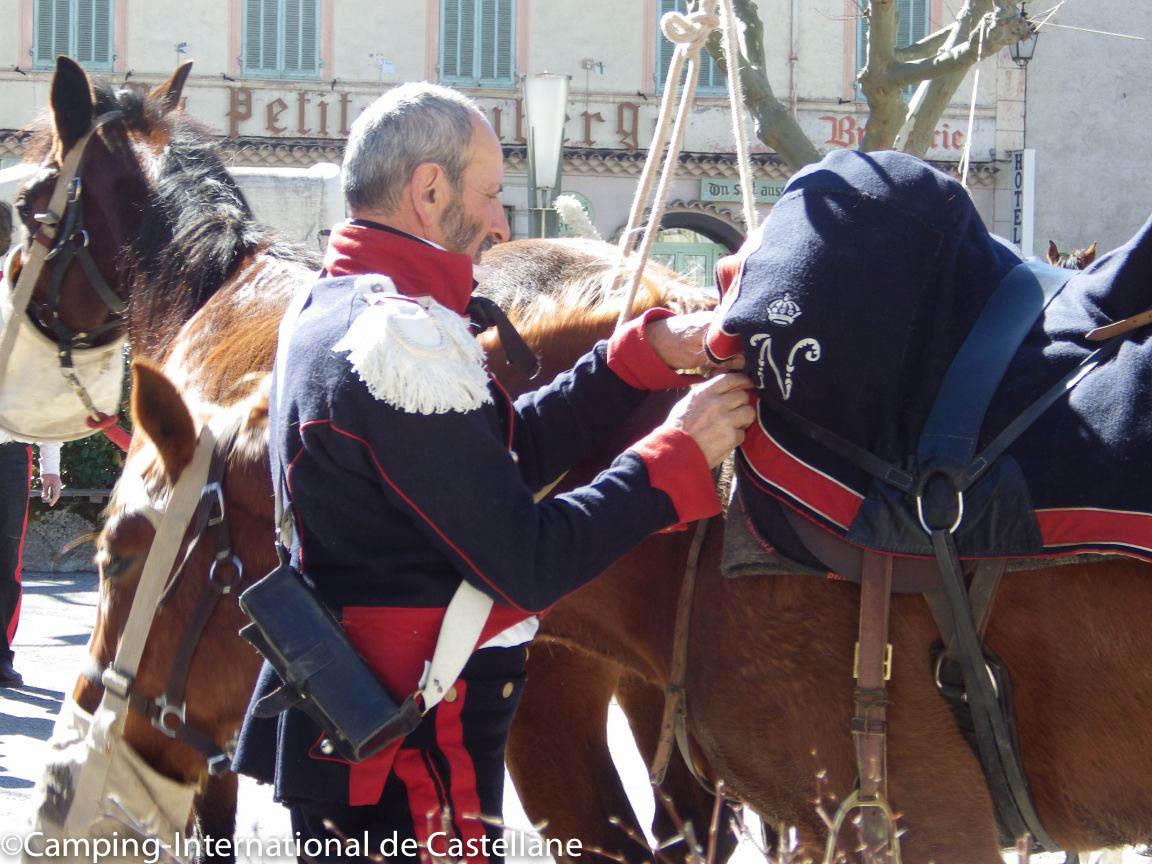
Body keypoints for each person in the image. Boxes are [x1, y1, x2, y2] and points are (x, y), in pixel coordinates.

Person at [231, 82, 754, 862]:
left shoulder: (341, 307)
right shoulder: (395, 339)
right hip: (412, 760)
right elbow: (526, 561)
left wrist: (634, 359)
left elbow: (491, 461)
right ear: (429, 190)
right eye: (490, 194)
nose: (503, 223)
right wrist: (676, 455)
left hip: (378, 737)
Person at [0, 440, 61, 687]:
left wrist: (51, 469)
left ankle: (1, 657)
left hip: (11, 453)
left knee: (7, 561)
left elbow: (44, 404)